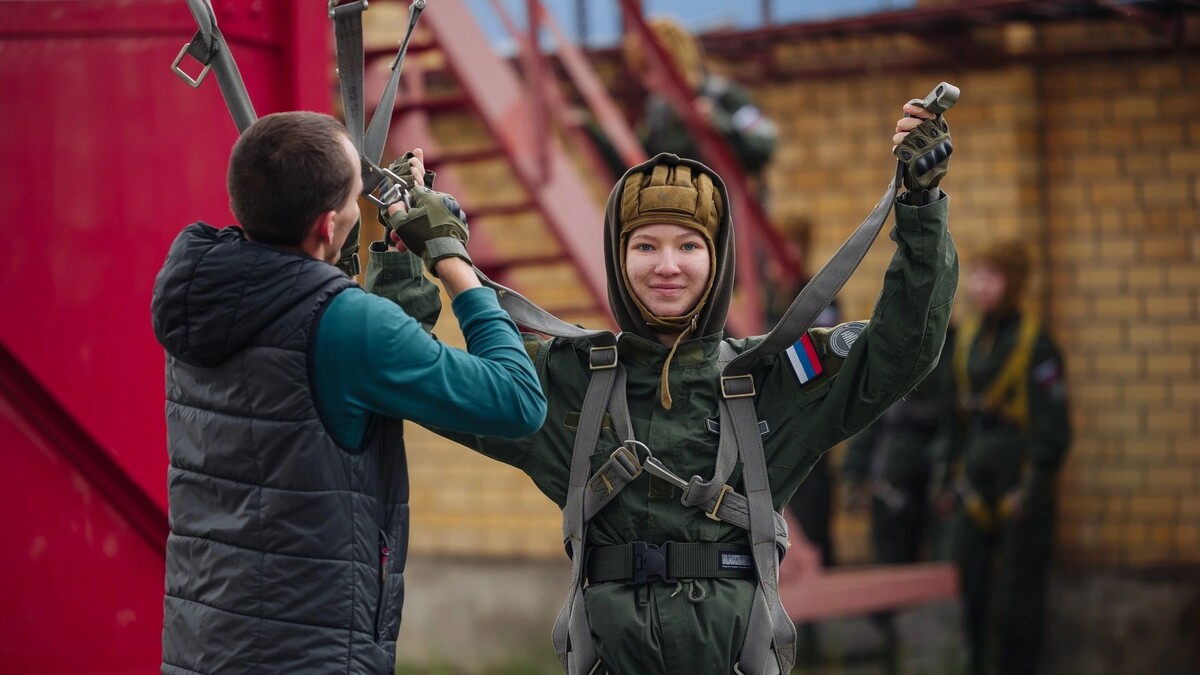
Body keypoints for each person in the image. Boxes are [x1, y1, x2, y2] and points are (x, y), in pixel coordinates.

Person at [374, 95, 958, 674]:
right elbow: (413, 376)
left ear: (717, 257)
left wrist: (920, 203)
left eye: (689, 246)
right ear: (618, 258)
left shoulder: (770, 379)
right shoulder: (564, 381)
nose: (667, 266)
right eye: (645, 246)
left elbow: (902, 349)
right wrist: (403, 252)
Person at [150, 111, 546, 675]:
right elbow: (518, 401)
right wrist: (450, 256)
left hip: (206, 643)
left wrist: (392, 259)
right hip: (307, 654)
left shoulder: (205, 294)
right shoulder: (345, 325)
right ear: (326, 225)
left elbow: (347, 372)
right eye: (356, 199)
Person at [936, 241, 1071, 675]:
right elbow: (955, 421)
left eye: (991, 277)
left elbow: (1053, 429)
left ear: (1012, 284)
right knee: (969, 597)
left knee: (1018, 607)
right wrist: (948, 479)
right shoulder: (967, 341)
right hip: (974, 487)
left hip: (1019, 492)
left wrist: (1032, 488)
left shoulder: (1037, 346)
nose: (980, 287)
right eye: (976, 275)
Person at [624, 17, 778, 196]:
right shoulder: (658, 114)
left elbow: (764, 144)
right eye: (643, 73)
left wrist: (720, 124)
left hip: (730, 215)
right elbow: (635, 165)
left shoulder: (725, 96)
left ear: (676, 62)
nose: (649, 82)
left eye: (651, 70)